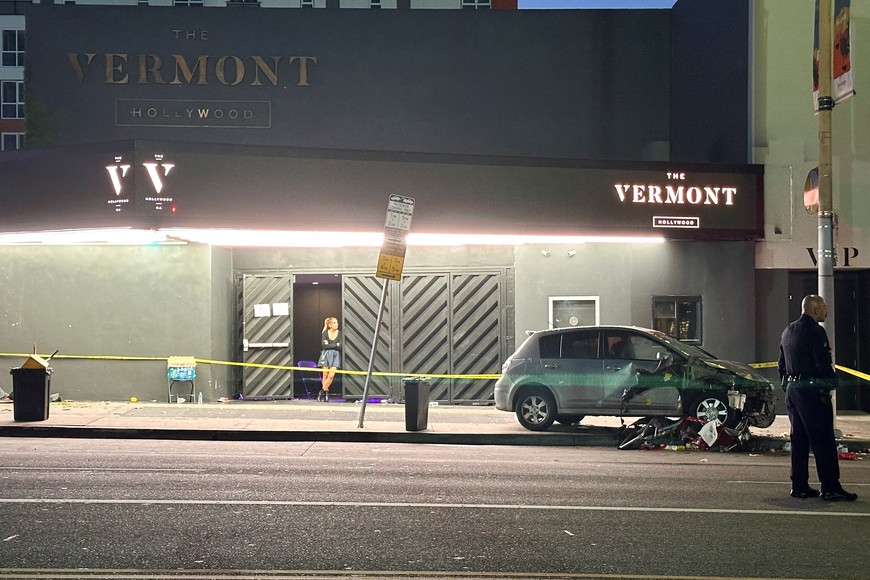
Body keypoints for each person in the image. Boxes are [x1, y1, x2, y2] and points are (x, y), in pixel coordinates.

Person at [778, 294, 857, 501]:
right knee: (823, 440)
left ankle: (799, 485)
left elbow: (781, 364)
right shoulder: (815, 331)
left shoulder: (788, 330)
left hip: (793, 392)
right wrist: (830, 383)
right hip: (811, 392)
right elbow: (822, 362)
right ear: (814, 310)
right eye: (823, 307)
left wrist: (787, 385)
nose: (826, 310)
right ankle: (830, 487)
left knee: (799, 440)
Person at [317, 317, 341, 401]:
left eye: (337, 322)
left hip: (335, 355)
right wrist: (335, 344)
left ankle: (322, 391)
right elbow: (324, 346)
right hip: (326, 354)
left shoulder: (340, 333)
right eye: (334, 323)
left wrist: (330, 345)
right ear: (330, 325)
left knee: (331, 375)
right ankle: (326, 394)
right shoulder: (325, 333)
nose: (336, 324)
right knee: (325, 375)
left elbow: (340, 346)